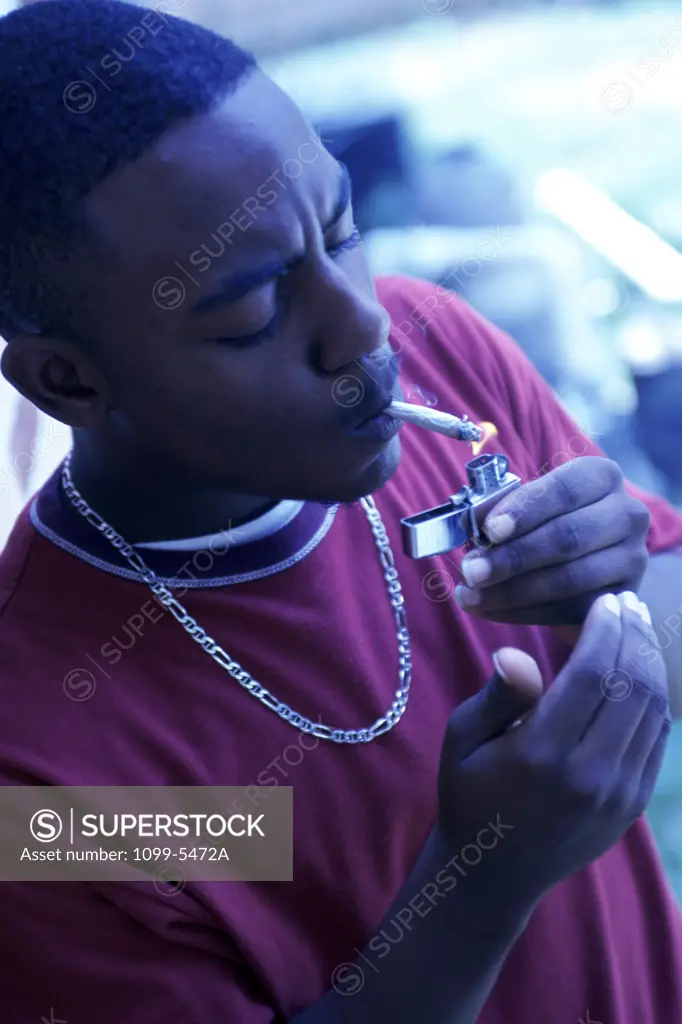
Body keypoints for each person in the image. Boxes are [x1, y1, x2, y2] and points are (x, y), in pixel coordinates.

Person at [0, 2, 681, 1022]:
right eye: (250, 308)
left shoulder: (441, 345)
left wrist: (616, 591)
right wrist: (484, 876)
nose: (362, 326)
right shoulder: (44, 766)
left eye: (341, 226)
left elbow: (665, 613)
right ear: (70, 382)